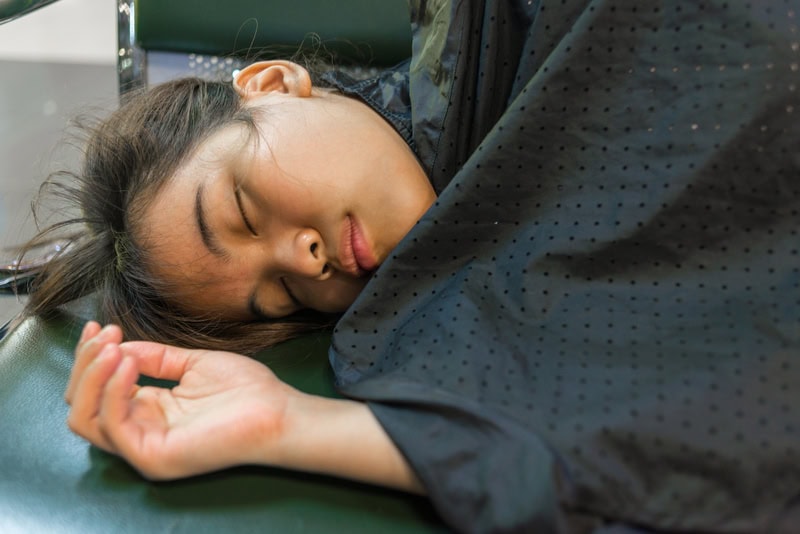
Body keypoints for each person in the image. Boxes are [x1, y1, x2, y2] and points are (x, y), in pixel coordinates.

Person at [24, 0, 800, 532]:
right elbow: (598, 462)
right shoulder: (422, 332)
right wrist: (288, 424)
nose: (308, 260)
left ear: (268, 85)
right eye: (280, 295)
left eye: (245, 210)